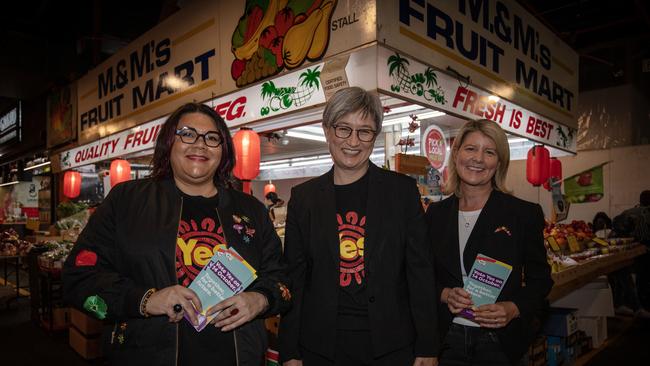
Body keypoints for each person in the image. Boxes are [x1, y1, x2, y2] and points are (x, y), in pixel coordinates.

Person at [63, 102, 291, 366]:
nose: (200, 144)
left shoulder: (251, 210)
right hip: (144, 354)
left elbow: (282, 278)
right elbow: (77, 280)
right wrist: (146, 299)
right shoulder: (126, 201)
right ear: (169, 142)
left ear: (223, 150)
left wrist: (260, 299)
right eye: (187, 134)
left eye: (212, 138)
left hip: (239, 357)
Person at [279, 87, 439, 366]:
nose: (353, 141)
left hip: (392, 344)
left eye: (364, 131)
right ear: (328, 130)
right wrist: (290, 351)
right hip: (321, 345)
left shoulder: (401, 192)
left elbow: (420, 272)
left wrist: (428, 345)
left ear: (374, 136)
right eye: (343, 129)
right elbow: (295, 279)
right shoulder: (304, 198)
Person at [425, 119, 553, 366]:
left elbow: (541, 279)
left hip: (499, 343)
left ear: (499, 162)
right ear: (457, 153)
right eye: (471, 148)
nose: (478, 159)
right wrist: (444, 294)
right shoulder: (435, 214)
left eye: (489, 152)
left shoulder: (522, 214)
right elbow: (421, 275)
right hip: (446, 340)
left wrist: (514, 308)